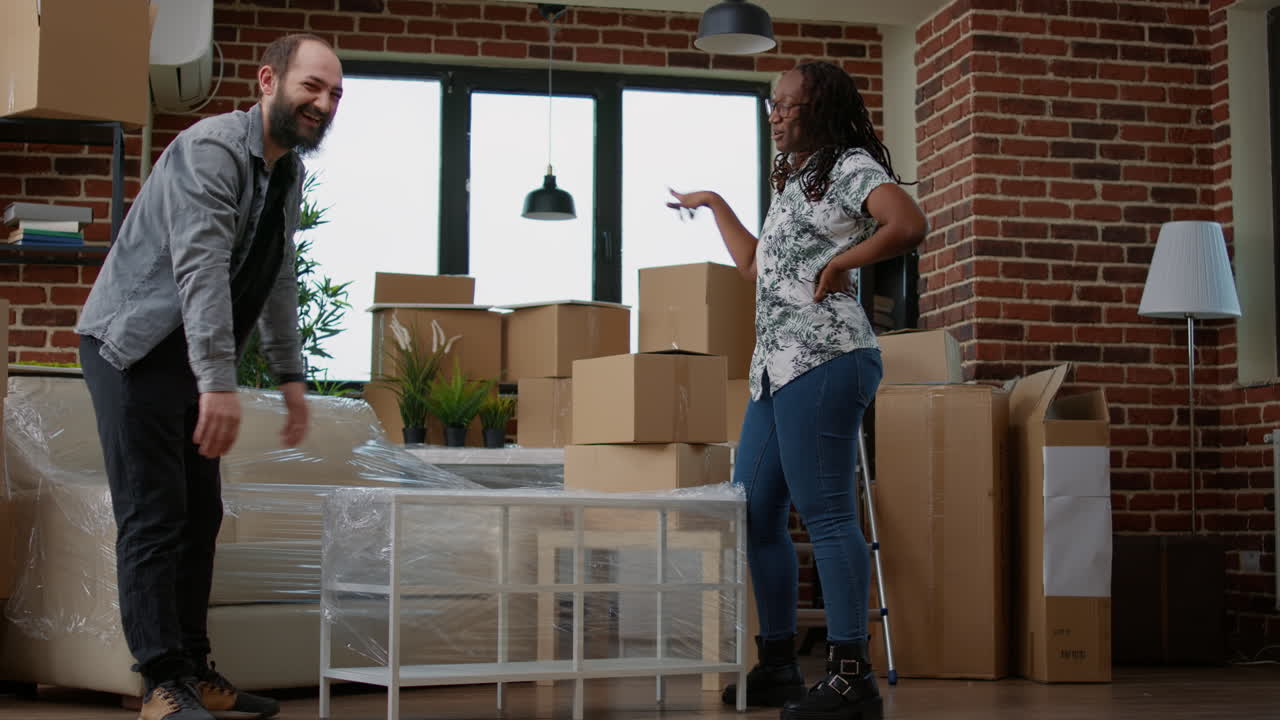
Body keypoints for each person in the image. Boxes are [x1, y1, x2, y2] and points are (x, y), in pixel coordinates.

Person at [75, 33, 343, 720]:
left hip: (190, 353)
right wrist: (219, 382)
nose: (323, 102)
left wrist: (290, 375)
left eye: (335, 93)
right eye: (311, 86)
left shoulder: (287, 172)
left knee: (203, 515)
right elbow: (200, 269)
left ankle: (194, 672)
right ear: (268, 82)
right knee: (155, 515)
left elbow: (276, 274)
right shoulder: (211, 151)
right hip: (133, 347)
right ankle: (160, 683)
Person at [667, 61, 927, 720]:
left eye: (785, 104)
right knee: (754, 513)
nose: (774, 114)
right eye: (770, 105)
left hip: (827, 356)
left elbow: (907, 222)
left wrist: (843, 262)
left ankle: (850, 678)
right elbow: (755, 265)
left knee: (829, 514)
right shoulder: (796, 183)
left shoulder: (848, 167)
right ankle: (780, 664)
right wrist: (715, 203)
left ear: (819, 108)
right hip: (775, 369)